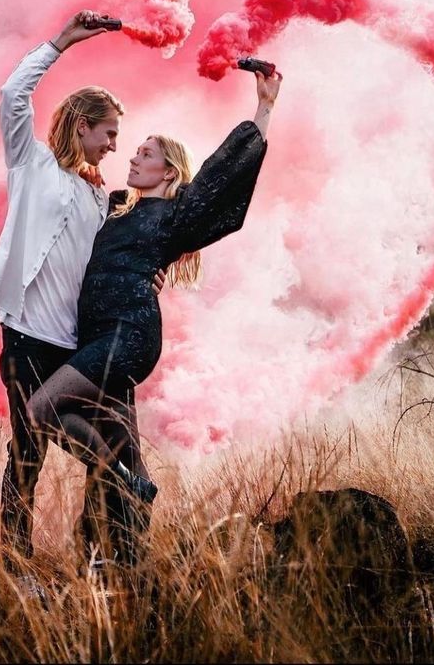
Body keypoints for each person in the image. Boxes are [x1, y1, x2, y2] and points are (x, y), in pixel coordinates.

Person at [25, 68, 281, 500]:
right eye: (135, 151)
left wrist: (265, 106)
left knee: (41, 410)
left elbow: (223, 175)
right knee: (127, 443)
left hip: (129, 336)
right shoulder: (116, 205)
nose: (132, 158)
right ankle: (128, 551)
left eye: (145, 154)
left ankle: (121, 479)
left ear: (168, 172)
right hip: (97, 335)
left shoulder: (175, 217)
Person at [0, 10, 164, 585]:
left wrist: (146, 278)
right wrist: (61, 43)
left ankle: (104, 554)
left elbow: (118, 259)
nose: (114, 146)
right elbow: (14, 93)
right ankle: (15, 557)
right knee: (27, 450)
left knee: (102, 439)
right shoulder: (31, 165)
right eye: (108, 132)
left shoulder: (103, 201)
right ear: (83, 125)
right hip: (27, 335)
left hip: (78, 347)